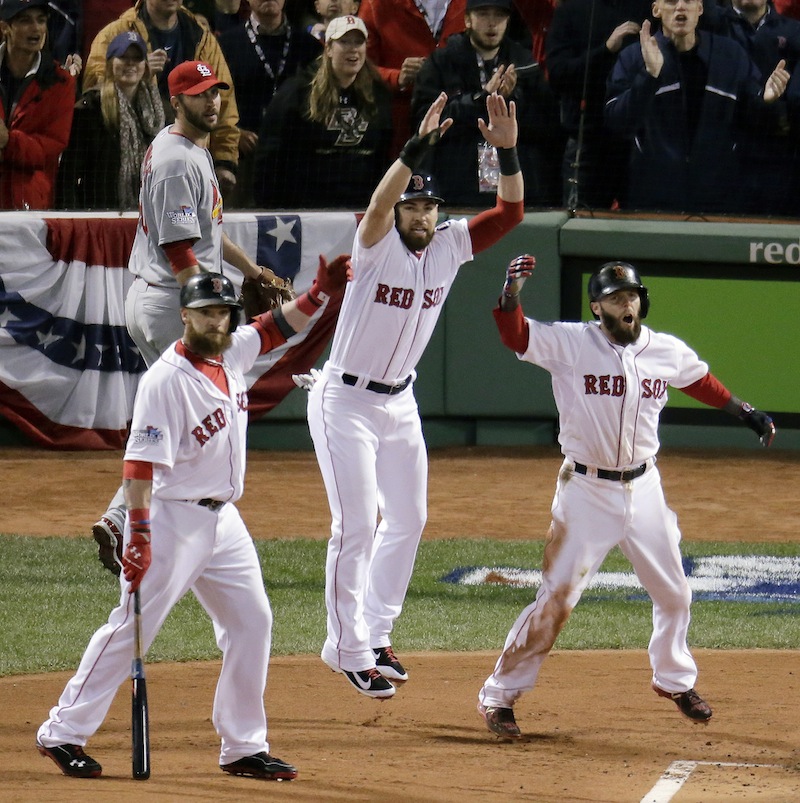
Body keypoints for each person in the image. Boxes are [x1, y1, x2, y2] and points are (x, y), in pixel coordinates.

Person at [37, 260, 350, 780]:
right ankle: (62, 731)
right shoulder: (165, 381)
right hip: (171, 519)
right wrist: (137, 533)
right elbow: (138, 467)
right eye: (206, 313)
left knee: (252, 623)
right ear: (185, 316)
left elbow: (274, 327)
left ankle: (242, 746)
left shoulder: (231, 354)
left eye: (224, 313)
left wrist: (319, 293)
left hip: (224, 522)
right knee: (131, 629)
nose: (217, 322)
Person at [476, 257, 776, 739]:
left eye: (632, 295)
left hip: (645, 487)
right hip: (586, 490)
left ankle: (674, 680)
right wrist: (511, 292)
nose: (626, 303)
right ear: (598, 307)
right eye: (616, 297)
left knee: (675, 592)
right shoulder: (573, 343)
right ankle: (498, 696)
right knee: (556, 600)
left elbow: (696, 378)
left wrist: (744, 410)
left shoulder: (664, 349)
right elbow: (516, 336)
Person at [306, 90, 524, 699]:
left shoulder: (450, 246)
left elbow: (508, 216)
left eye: (429, 207)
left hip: (399, 403)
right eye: (413, 208)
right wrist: (410, 152)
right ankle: (345, 648)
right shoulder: (375, 247)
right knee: (355, 525)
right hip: (344, 400)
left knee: (409, 518)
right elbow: (377, 204)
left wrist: (506, 155)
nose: (422, 217)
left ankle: (375, 633)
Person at [90, 60, 287, 575]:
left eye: (216, 92)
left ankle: (119, 519)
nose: (212, 101)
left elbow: (205, 231)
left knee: (181, 416)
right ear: (177, 101)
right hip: (166, 302)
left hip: (161, 297)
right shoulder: (179, 159)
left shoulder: (186, 148)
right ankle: (127, 520)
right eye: (200, 95)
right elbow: (179, 249)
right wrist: (206, 310)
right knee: (186, 414)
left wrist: (253, 268)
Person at [605, 0, 791, 215]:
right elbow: (616, 123)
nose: (681, 7)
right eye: (672, 2)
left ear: (700, 9)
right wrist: (649, 77)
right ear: (656, 9)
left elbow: (755, 119)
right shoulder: (633, 57)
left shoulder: (729, 54)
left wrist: (767, 100)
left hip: (718, 196)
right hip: (653, 196)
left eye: (689, 1)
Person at [411, 0, 562, 207]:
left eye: (499, 16)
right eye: (483, 14)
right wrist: (480, 99)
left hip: (514, 187)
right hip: (457, 186)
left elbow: (548, 126)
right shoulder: (441, 63)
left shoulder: (525, 64)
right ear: (467, 20)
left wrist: (512, 100)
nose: (492, 23)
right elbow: (426, 121)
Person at [83, 0, 240, 197]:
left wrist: (225, 161)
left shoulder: (202, 38)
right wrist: (137, 73)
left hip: (190, 163)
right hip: (118, 165)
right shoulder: (115, 33)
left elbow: (222, 103)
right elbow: (94, 88)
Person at [253, 14, 392, 208]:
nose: (353, 49)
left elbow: (383, 153)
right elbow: (271, 156)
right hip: (309, 208)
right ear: (328, 48)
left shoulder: (378, 94)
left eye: (358, 42)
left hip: (361, 207)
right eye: (344, 42)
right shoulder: (297, 92)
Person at [546, 0, 653, 210]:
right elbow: (558, 75)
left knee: (643, 231)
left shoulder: (647, 8)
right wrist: (605, 49)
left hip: (638, 144)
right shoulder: (570, 10)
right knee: (580, 232)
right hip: (587, 142)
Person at [217, 0, 322, 207]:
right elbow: (213, 98)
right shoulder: (226, 44)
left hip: (296, 160)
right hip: (244, 158)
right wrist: (233, 132)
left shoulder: (309, 46)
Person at [57, 31, 165, 210]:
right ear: (109, 64)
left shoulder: (159, 111)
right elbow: (68, 176)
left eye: (137, 58)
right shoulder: (89, 109)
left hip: (148, 216)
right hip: (99, 215)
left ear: (145, 65)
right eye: (123, 57)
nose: (130, 63)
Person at [714, 0, 800, 217]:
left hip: (779, 156)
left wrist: (779, 113)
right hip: (723, 155)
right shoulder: (712, 26)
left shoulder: (794, 30)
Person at [358, 0, 467, 159]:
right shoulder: (377, 4)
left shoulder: (472, 4)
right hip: (397, 128)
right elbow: (360, 67)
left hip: (459, 128)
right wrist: (397, 77)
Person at [0, 0, 76, 210]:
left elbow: (52, 146)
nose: (36, 28)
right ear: (4, 27)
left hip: (28, 202)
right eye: (25, 20)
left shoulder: (61, 82)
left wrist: (8, 141)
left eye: (41, 20)